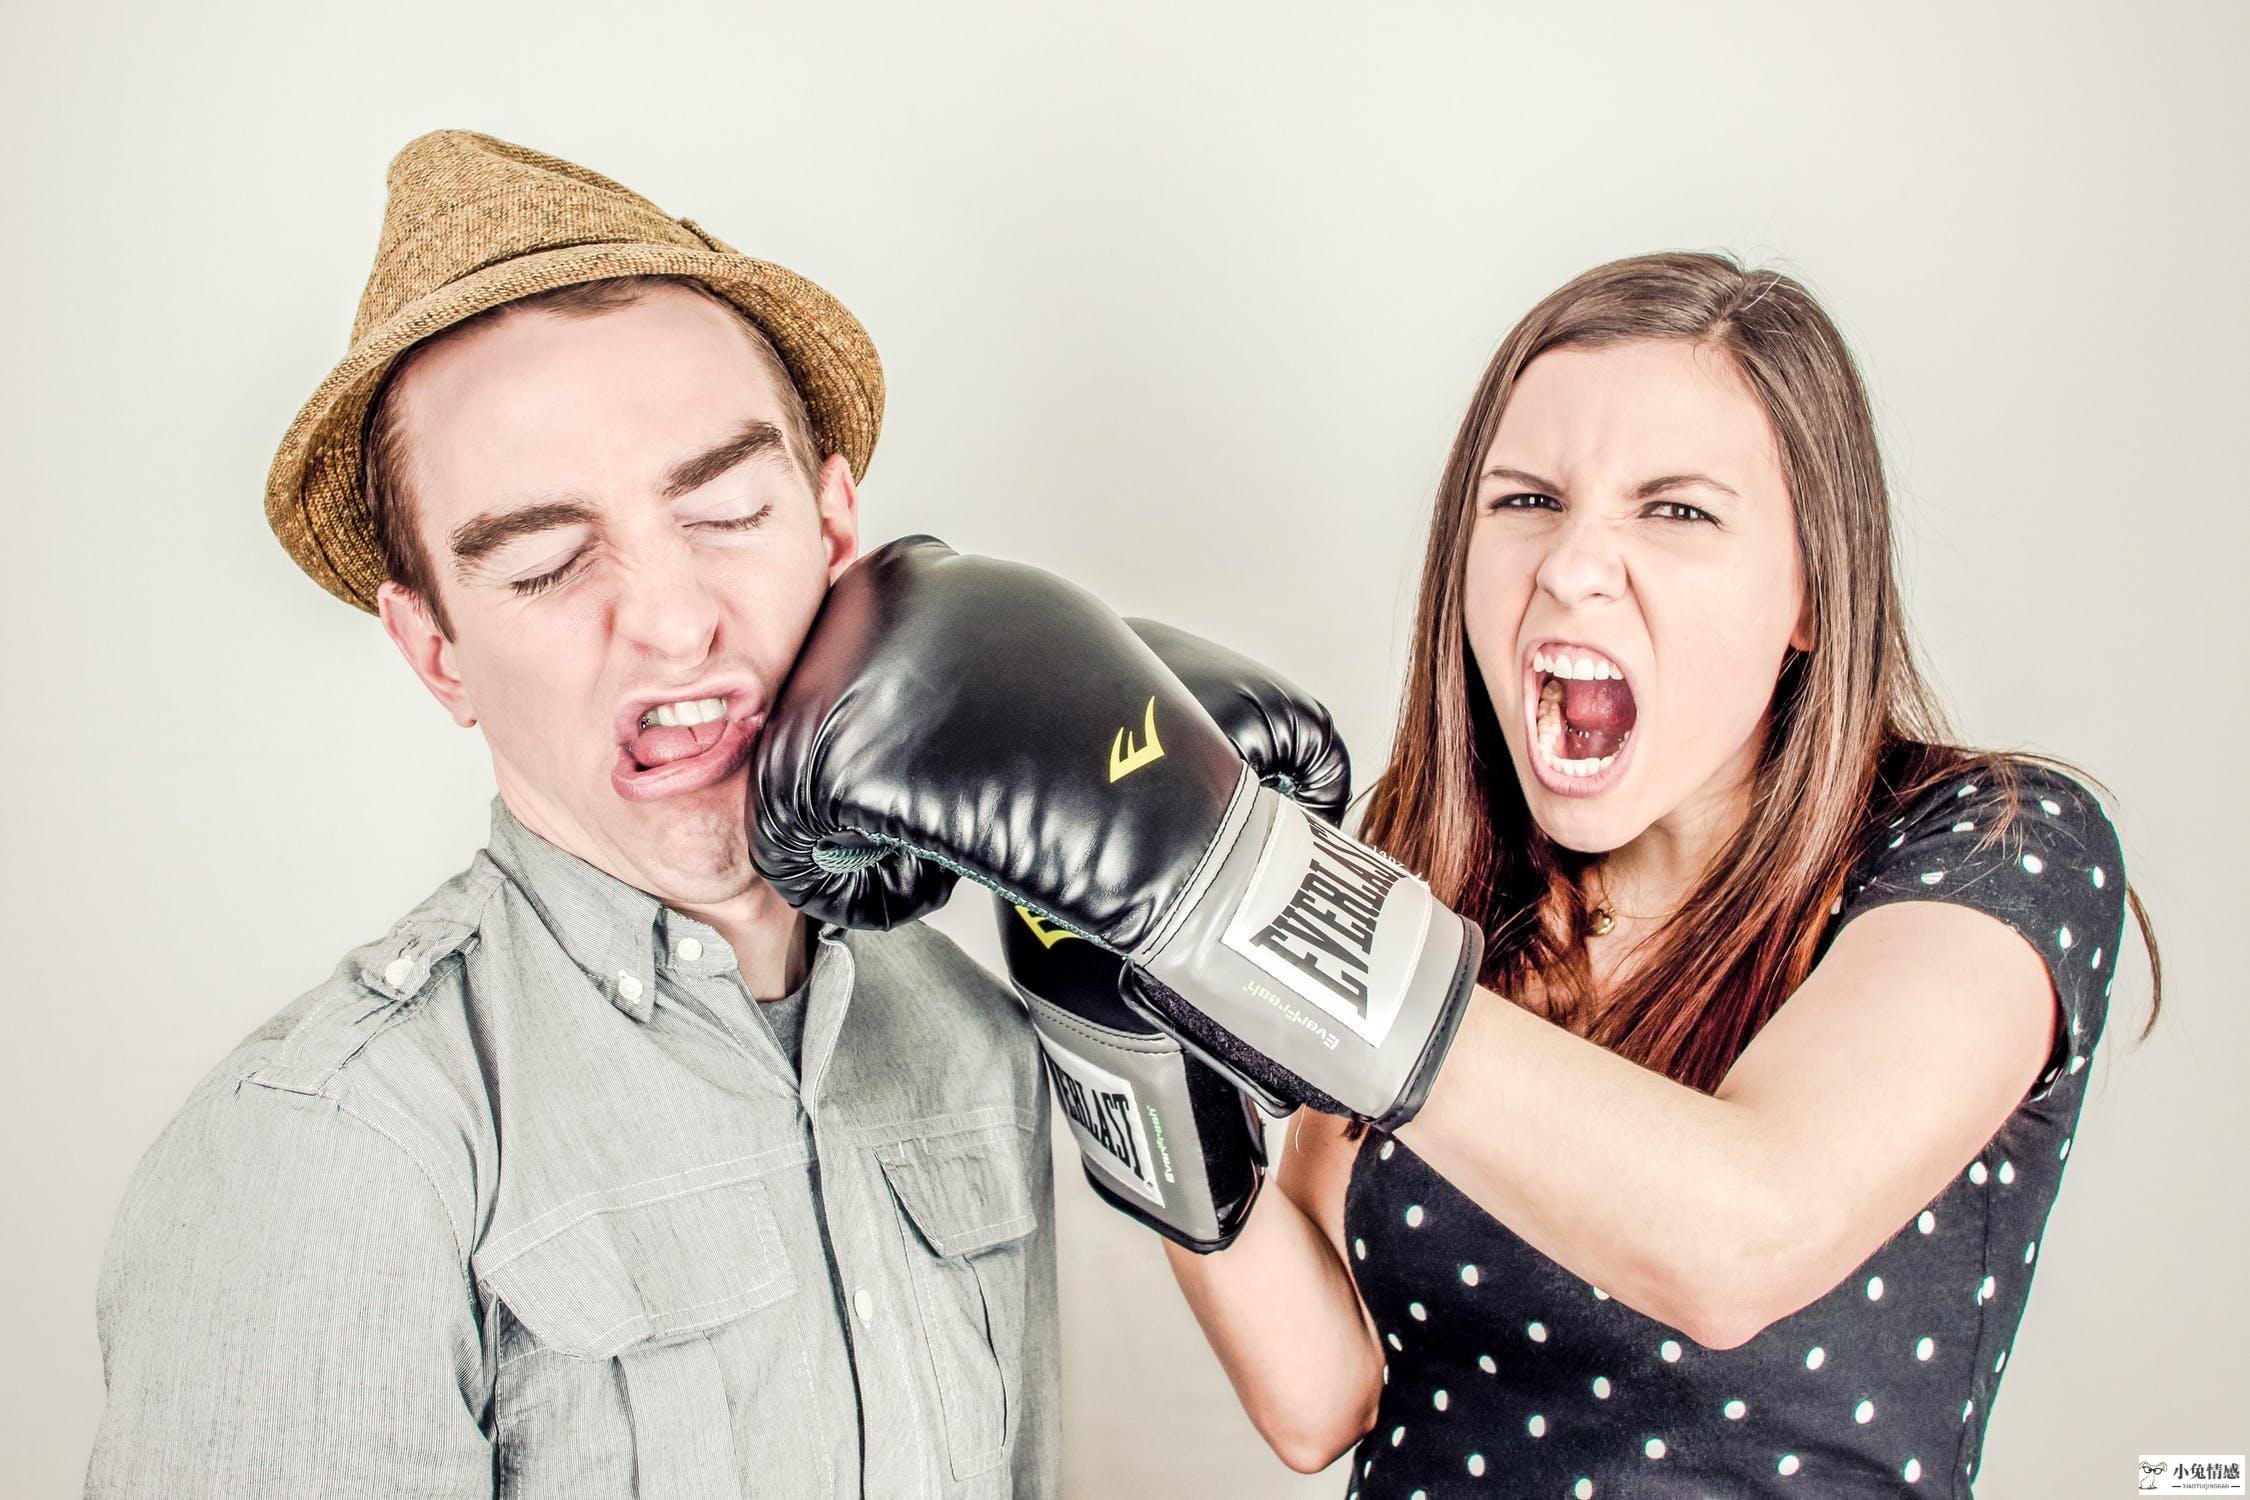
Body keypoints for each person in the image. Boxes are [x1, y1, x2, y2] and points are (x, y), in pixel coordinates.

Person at [744, 252, 2161, 1498]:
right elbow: (1321, 1399)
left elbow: (1742, 1237)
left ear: (1809, 592)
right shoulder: (1435, 885)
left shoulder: (1989, 845)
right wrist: (1103, 997)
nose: (1569, 569)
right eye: (1526, 499)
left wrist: (1236, 895)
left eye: (1674, 511)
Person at [85, 129, 1058, 1499]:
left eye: (724, 510)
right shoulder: (329, 1153)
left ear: (836, 531)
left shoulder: (970, 1035)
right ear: (436, 653)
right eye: (545, 563)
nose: (668, 620)